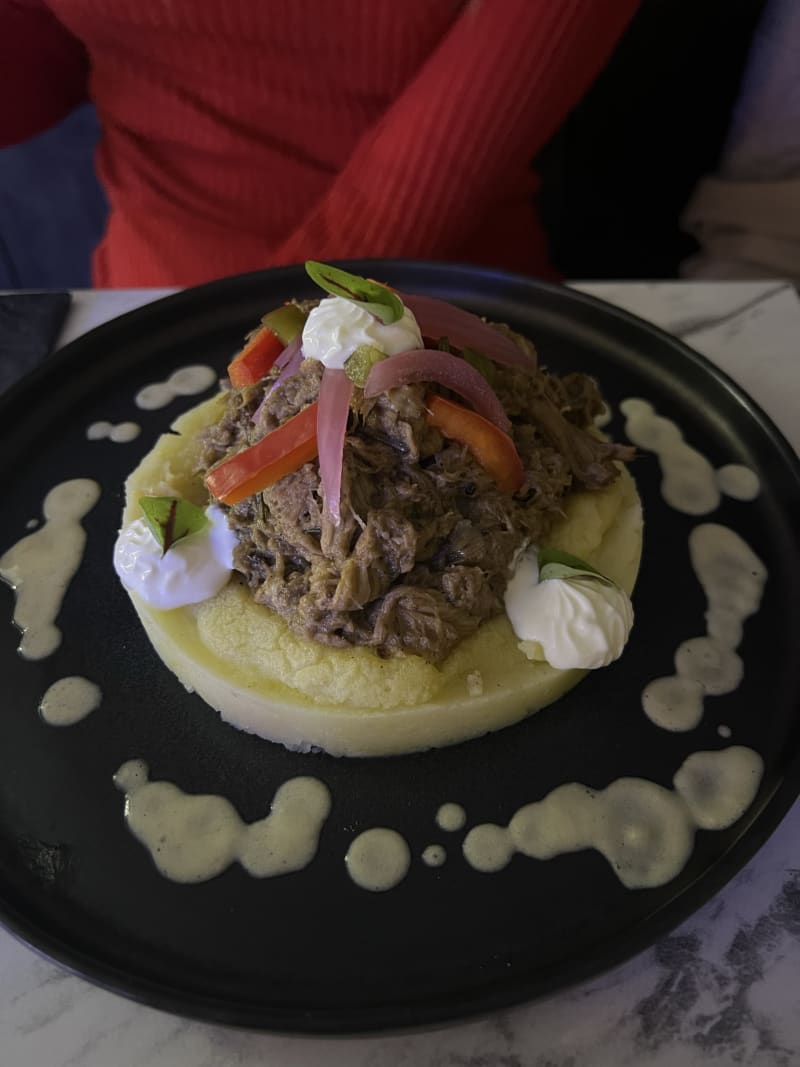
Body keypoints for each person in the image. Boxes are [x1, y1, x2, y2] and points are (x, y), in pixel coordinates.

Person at [1, 0, 638, 288]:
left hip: (437, 303)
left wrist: (270, 348)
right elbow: (43, 59)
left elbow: (428, 179)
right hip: (143, 303)